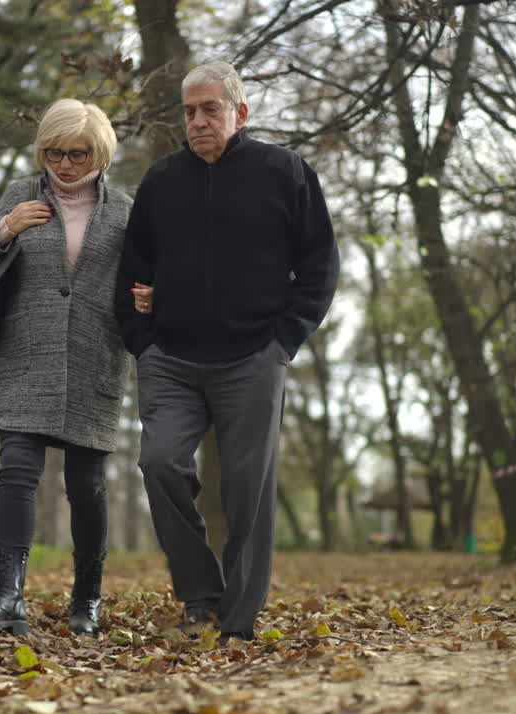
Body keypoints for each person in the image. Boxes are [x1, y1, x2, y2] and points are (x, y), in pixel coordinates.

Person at [116, 61, 339, 642]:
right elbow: (132, 269)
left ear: (240, 112)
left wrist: (284, 340)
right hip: (171, 360)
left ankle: (237, 621)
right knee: (160, 462)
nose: (197, 121)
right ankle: (199, 596)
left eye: (210, 109)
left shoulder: (284, 172)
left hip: (253, 358)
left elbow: (320, 264)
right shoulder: (162, 181)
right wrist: (143, 342)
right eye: (189, 111)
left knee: (247, 493)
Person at [0, 99, 132, 637]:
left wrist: (148, 299)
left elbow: (142, 281)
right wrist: (4, 230)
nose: (65, 165)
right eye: (54, 153)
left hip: (95, 358)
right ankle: (7, 597)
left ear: (100, 153)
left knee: (86, 484)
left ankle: (87, 599)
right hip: (25, 354)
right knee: (16, 469)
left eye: (78, 154)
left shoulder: (125, 212)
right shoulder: (20, 195)